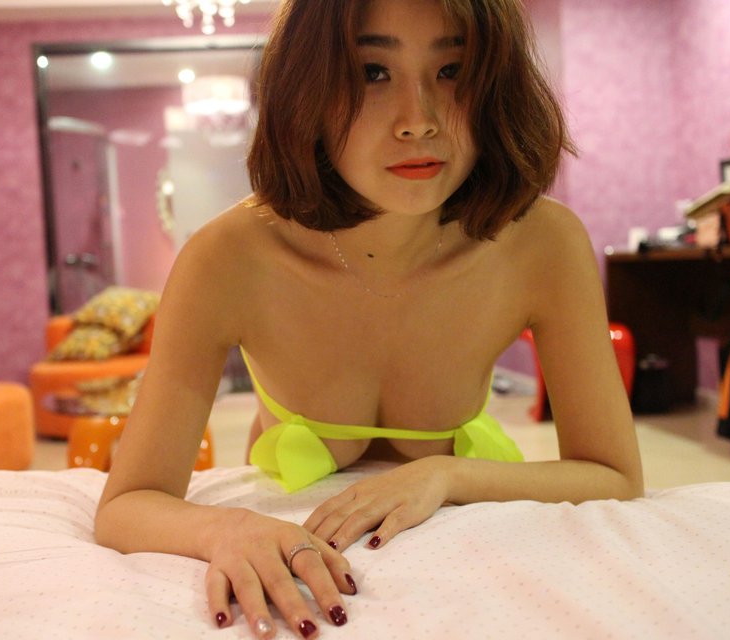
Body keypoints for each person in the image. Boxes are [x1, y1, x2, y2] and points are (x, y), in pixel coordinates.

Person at [95, 0, 644, 637]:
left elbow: (615, 475)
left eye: (453, 70)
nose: (419, 121)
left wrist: (445, 474)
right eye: (372, 73)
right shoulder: (229, 258)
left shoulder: (542, 242)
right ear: (306, 89)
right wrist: (228, 529)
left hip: (461, 552)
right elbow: (127, 503)